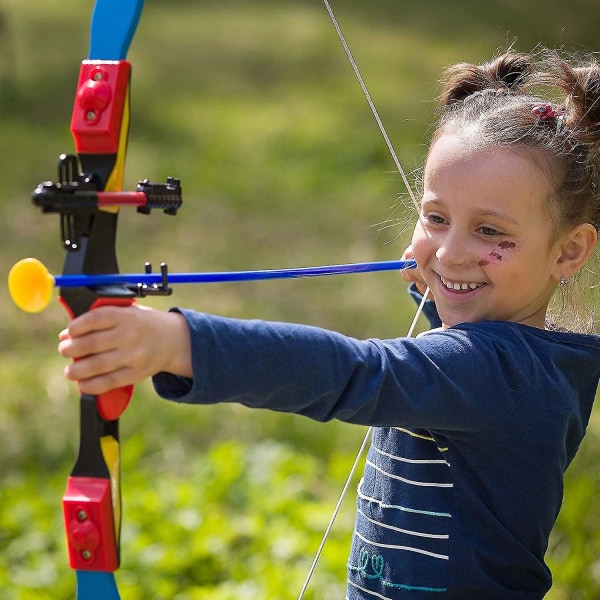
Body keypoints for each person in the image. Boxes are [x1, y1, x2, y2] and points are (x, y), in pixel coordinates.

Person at [58, 49, 600, 599]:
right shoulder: (515, 364)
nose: (451, 253)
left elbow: (353, 372)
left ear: (569, 251)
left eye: (490, 232)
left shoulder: (499, 373)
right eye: (436, 219)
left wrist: (179, 343)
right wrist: (443, 300)